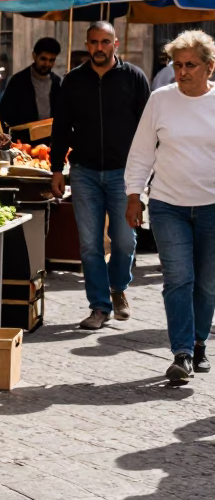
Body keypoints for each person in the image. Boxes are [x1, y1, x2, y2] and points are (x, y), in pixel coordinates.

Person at [125, 30, 215, 382]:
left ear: (210, 67)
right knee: (179, 278)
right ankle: (182, 353)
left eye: (190, 65)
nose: (182, 71)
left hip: (211, 205)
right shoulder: (160, 99)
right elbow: (142, 151)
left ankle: (198, 344)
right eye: (177, 65)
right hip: (167, 205)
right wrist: (135, 195)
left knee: (207, 284)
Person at [50, 22, 151, 330]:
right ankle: (99, 306)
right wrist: (57, 168)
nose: (99, 47)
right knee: (90, 245)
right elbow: (61, 127)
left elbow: (149, 129)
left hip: (125, 174)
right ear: (87, 44)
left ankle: (118, 287)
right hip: (84, 172)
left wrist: (147, 172)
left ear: (115, 44)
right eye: (94, 42)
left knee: (124, 239)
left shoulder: (134, 78)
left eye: (105, 42)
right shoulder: (73, 81)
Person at [0, 37, 62, 128]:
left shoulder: (56, 83)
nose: (47, 64)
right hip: (23, 139)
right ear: (34, 56)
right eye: (43, 59)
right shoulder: (18, 81)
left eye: (51, 60)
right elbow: (5, 115)